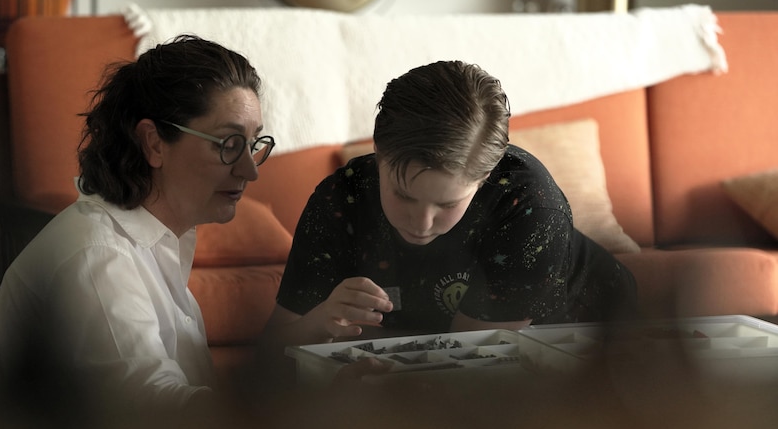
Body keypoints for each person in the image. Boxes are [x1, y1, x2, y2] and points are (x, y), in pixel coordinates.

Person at [0, 35, 275, 415]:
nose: (250, 170)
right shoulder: (99, 256)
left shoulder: (156, 239)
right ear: (153, 143)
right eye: (228, 143)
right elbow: (151, 412)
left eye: (254, 143)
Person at [263, 60, 637, 349]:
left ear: (486, 176)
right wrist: (319, 321)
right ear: (378, 150)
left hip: (594, 342)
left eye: (447, 204)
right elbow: (270, 355)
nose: (422, 222)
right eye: (403, 195)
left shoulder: (531, 206)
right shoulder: (339, 200)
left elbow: (465, 360)